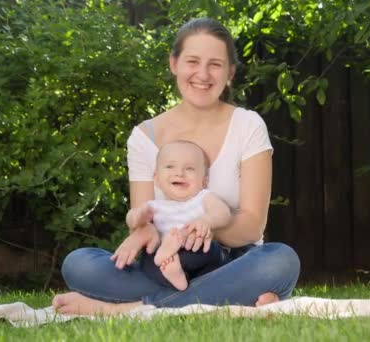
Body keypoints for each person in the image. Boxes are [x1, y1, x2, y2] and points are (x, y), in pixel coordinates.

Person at [52, 17, 300, 316]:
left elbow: (251, 226)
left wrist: (193, 231)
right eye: (192, 61)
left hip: (231, 261)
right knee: (78, 263)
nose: (203, 74)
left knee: (281, 261)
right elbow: (147, 226)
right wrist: (142, 232)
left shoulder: (248, 125)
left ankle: (129, 308)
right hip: (163, 264)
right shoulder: (144, 137)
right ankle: (228, 296)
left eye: (215, 64)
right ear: (174, 64)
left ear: (230, 72)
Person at [132, 140, 231, 291]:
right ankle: (177, 276)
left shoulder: (202, 197)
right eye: (170, 166)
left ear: (204, 181)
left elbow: (223, 213)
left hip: (196, 251)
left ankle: (174, 268)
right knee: (148, 260)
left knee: (212, 248)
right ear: (157, 179)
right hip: (165, 258)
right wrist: (138, 216)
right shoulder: (154, 206)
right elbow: (132, 221)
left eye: (190, 168)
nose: (179, 173)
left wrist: (205, 220)